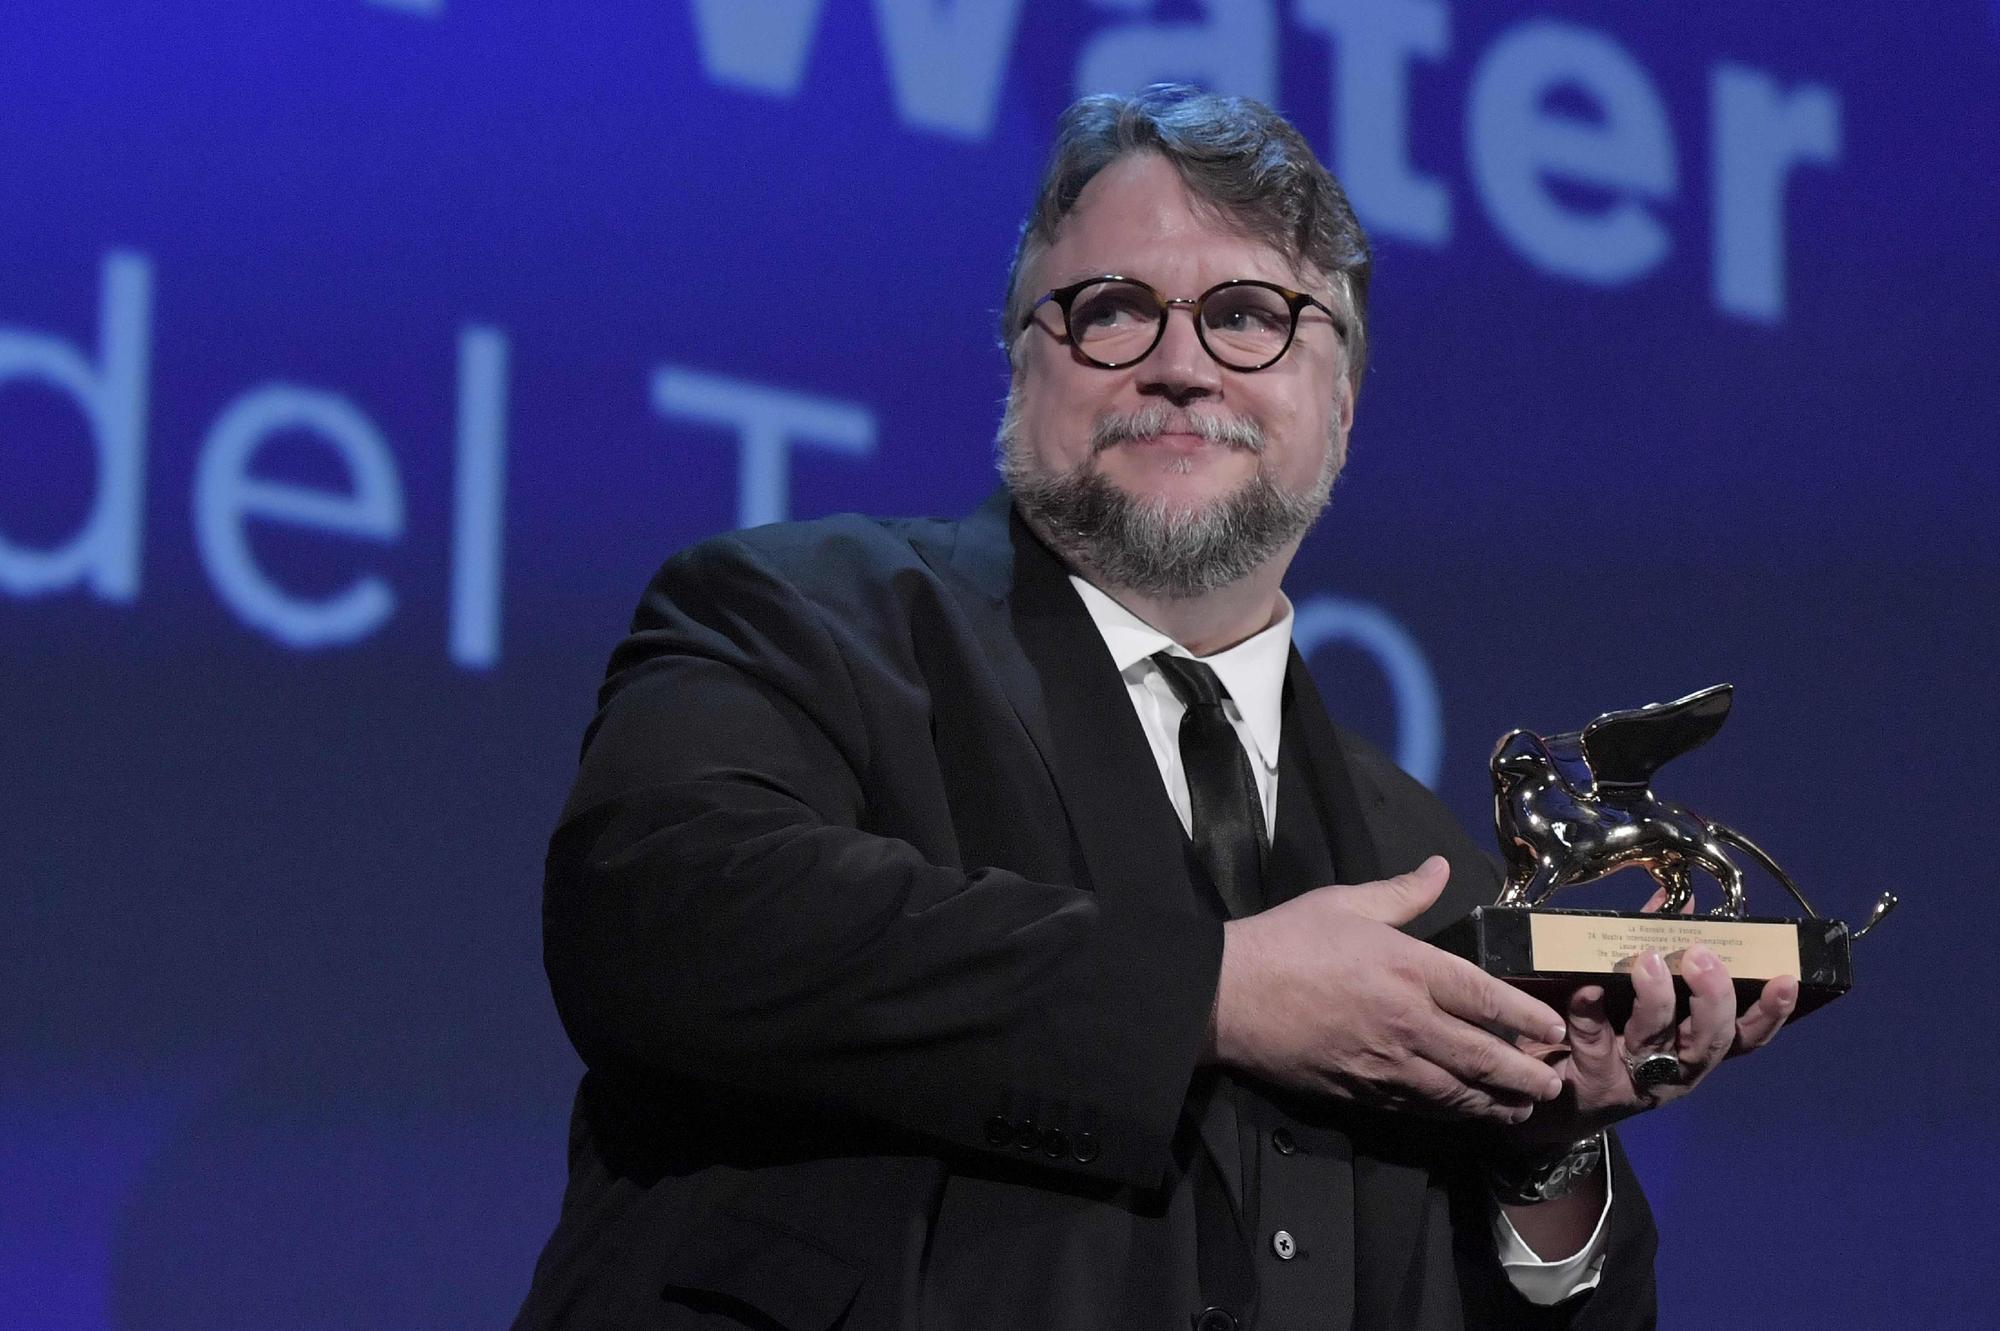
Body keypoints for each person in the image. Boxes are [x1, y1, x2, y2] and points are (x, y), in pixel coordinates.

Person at [512, 86, 1797, 1331]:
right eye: (1112, 309)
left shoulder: (1431, 863)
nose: (1180, 363)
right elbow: (659, 912)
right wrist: (1215, 989)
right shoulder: (800, 618)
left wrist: (1543, 1150)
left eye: (1249, 315)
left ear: (1338, 405)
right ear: (1022, 368)